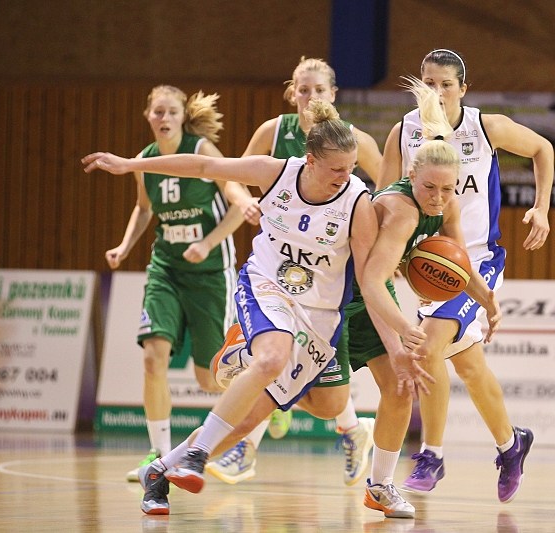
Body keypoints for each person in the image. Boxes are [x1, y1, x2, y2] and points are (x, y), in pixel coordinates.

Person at [83, 99, 429, 516]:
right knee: (271, 359)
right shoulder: (276, 173)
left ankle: (158, 471)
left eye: (351, 167)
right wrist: (131, 165)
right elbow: (205, 166)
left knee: (316, 408)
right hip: (268, 285)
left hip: (318, 312)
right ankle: (200, 452)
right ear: (310, 160)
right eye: (337, 169)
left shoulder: (357, 202)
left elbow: (370, 284)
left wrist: (396, 347)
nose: (347, 176)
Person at [378, 49, 553, 503]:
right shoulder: (403, 132)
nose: (436, 91)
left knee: (428, 347)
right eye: (428, 82)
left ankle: (431, 456)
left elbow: (543, 149)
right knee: (470, 367)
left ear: (463, 89)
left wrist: (541, 208)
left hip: (477, 260)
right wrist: (393, 253)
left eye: (445, 84)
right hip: (430, 263)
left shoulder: (485, 127)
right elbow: (384, 197)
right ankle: (511, 444)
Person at [206, 56, 382, 488]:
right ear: (292, 93)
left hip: (330, 276)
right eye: (304, 90)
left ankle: (350, 428)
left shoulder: (352, 141)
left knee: (317, 389)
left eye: (319, 90)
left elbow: (387, 193)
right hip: (279, 268)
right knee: (271, 361)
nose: (311, 96)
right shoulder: (273, 132)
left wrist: (380, 246)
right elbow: (232, 176)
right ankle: (243, 449)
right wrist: (242, 200)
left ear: (333, 94)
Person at [350, 77, 501, 519]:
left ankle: (379, 486)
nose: (438, 198)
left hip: (368, 295)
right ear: (411, 175)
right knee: (315, 399)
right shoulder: (402, 213)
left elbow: (458, 267)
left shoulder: (446, 205)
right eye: (429, 187)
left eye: (447, 189)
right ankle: (251, 352)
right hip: (339, 292)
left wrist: (488, 300)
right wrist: (406, 331)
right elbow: (372, 283)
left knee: (400, 386)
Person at [106, 85, 256, 483]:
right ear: (148, 116)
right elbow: (143, 209)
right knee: (153, 357)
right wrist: (124, 246)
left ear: (182, 116)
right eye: (158, 112)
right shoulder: (144, 160)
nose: (165, 118)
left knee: (210, 378)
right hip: (167, 270)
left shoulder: (201, 149)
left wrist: (209, 241)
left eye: (172, 112)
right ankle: (158, 454)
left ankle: (262, 397)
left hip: (210, 274)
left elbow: (235, 196)